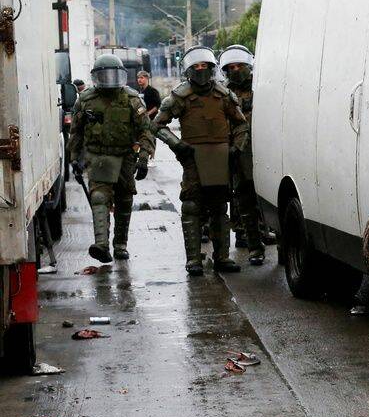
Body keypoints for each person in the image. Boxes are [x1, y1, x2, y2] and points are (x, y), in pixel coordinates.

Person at [153, 46, 249, 276]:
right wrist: (177, 145)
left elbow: (241, 123)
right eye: (196, 67)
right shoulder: (181, 96)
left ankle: (222, 257)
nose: (200, 70)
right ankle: (193, 260)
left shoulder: (223, 95)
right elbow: (156, 124)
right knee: (192, 206)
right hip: (193, 158)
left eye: (204, 66)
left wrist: (237, 147)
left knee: (219, 207)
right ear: (188, 70)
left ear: (211, 68)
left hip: (220, 157)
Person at [67, 54, 155, 263]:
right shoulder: (86, 100)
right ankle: (101, 245)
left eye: (112, 74)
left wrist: (143, 157)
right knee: (99, 198)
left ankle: (120, 244)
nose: (108, 79)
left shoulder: (132, 99)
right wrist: (73, 157)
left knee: (124, 200)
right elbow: (76, 132)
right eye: (104, 75)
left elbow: (146, 131)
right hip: (99, 156)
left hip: (124, 156)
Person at [218, 45, 266, 266]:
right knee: (244, 200)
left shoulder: (263, 87)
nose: (236, 70)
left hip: (266, 150)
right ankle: (254, 247)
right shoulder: (223, 93)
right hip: (238, 153)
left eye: (240, 66)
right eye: (231, 67)